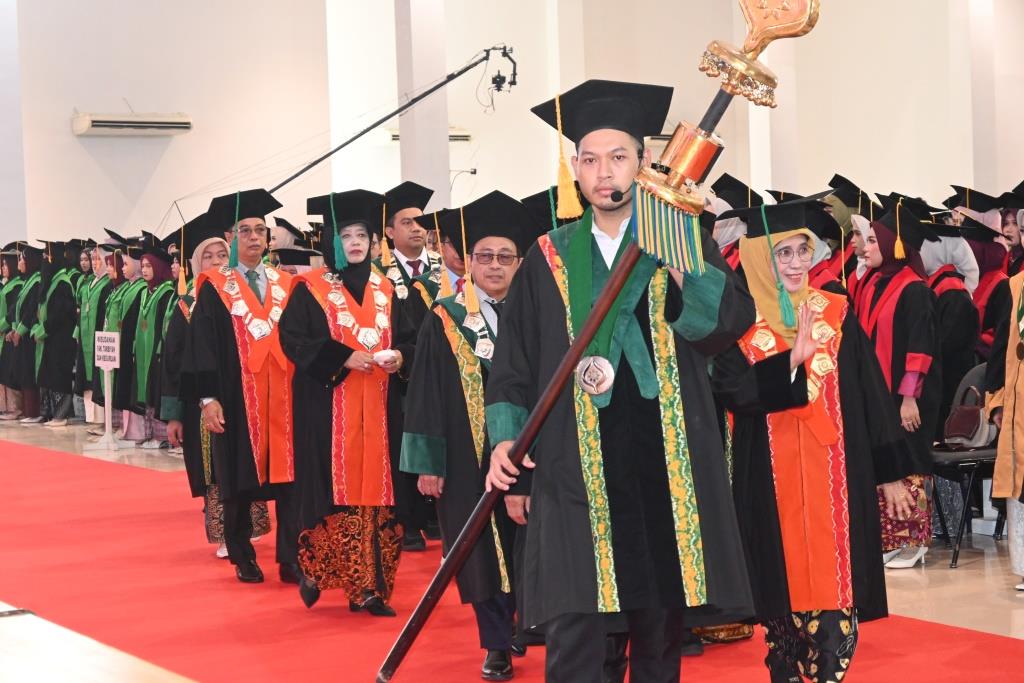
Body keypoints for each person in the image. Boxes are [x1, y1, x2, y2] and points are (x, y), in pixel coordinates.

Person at [484, 79, 755, 682]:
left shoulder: (681, 238)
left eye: (618, 157)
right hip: (573, 471)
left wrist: (681, 255)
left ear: (644, 162)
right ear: (575, 171)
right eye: (589, 159)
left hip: (665, 465)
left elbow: (724, 328)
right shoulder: (547, 256)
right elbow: (513, 364)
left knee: (659, 630)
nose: (603, 172)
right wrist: (505, 441)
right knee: (575, 629)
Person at [711, 201, 919, 683]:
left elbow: (871, 394)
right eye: (782, 253)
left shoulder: (836, 312)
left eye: (803, 251)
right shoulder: (741, 324)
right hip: (767, 479)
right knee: (780, 602)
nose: (796, 263)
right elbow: (732, 392)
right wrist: (789, 361)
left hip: (837, 477)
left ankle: (828, 673)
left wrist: (890, 474)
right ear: (761, 257)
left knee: (835, 594)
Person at [402, 191, 533, 680]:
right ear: (468, 261)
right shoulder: (444, 319)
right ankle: (496, 641)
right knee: (478, 549)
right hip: (463, 457)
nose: (494, 266)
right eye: (484, 256)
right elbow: (425, 395)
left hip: (530, 452)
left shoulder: (539, 315)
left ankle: (529, 621)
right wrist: (429, 464)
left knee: (530, 541)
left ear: (519, 262)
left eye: (504, 257)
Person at [279, 189, 415, 616]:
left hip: (380, 404)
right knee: (332, 490)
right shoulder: (309, 288)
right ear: (332, 243)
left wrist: (400, 357)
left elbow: (410, 338)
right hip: (327, 407)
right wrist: (342, 357)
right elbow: (294, 341)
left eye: (362, 235)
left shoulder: (389, 288)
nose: (355, 243)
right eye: (346, 236)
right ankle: (319, 569)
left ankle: (369, 587)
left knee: (378, 491)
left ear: (374, 242)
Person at [185, 188, 299, 584]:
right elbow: (203, 347)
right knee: (237, 479)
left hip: (286, 398)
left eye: (260, 231)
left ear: (268, 238)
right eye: (245, 231)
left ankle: (290, 557)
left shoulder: (287, 284)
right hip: (237, 398)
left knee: (290, 481)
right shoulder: (214, 287)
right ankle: (242, 553)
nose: (254, 238)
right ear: (230, 239)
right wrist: (209, 398)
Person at [162, 215, 271, 559]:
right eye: (207, 257)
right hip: (203, 405)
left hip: (245, 396)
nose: (215, 262)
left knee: (249, 461)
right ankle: (225, 533)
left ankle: (252, 527)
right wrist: (174, 415)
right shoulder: (186, 305)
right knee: (214, 468)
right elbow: (173, 363)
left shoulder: (241, 296)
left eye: (221, 256)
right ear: (195, 264)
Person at [850, 200, 940, 569]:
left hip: (907, 396)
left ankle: (913, 540)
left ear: (892, 246)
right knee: (882, 461)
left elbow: (921, 347)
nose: (865, 247)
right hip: (879, 392)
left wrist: (908, 397)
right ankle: (887, 537)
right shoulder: (871, 282)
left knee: (909, 461)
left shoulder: (915, 289)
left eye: (872, 241)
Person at [919, 222, 980, 439]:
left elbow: (946, 352)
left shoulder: (954, 295)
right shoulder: (936, 288)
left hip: (948, 392)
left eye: (922, 245)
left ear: (939, 250)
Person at [984, 266, 1024, 594]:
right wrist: (995, 401)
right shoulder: (1014, 286)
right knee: (1021, 484)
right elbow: (999, 349)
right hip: (1019, 401)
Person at [132, 239, 176, 449]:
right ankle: (149, 433)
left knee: (155, 389)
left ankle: (161, 436)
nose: (145, 270)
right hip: (143, 348)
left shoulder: (166, 292)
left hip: (156, 350)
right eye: (143, 267)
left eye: (149, 266)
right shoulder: (145, 292)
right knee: (145, 390)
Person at [960, 216, 1011, 361]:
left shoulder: (1002, 285)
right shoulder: (961, 278)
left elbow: (999, 336)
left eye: (968, 249)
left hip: (983, 364)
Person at [74, 244, 111, 426]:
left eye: (99, 259)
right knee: (87, 378)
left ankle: (102, 420)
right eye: (93, 259)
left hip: (98, 338)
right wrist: (78, 331)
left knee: (98, 376)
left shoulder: (107, 285)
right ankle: (91, 419)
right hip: (85, 337)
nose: (95, 263)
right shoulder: (88, 284)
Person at [11, 244, 45, 423]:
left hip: (29, 336)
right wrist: (14, 328)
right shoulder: (28, 280)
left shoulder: (36, 281)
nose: (20, 262)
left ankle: (33, 412)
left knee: (29, 371)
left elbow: (31, 309)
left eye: (23, 259)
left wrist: (21, 330)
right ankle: (26, 411)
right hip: (21, 335)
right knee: (23, 371)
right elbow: (17, 309)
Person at [0, 245, 26, 420]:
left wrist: (2, 326)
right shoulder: (7, 285)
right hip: (4, 335)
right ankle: (7, 407)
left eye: (5, 265)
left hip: (10, 334)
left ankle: (15, 408)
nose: (2, 268)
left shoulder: (17, 286)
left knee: (11, 372)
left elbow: (11, 313)